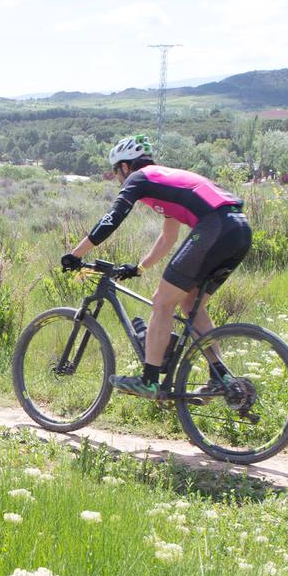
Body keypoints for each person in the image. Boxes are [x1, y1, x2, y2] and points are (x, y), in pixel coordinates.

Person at [61, 134, 251, 399]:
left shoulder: (141, 178)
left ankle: (149, 380)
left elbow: (111, 219)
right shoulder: (165, 180)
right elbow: (168, 238)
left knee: (162, 301)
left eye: (118, 172)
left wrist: (75, 254)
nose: (119, 178)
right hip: (239, 228)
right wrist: (139, 268)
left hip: (215, 227)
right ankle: (221, 377)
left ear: (126, 167)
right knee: (190, 304)